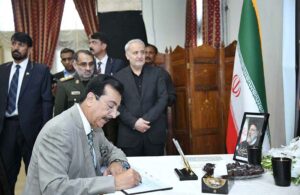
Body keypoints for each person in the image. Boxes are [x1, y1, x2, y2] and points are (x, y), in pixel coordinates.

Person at [23, 75, 142, 195]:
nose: (114, 114)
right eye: (111, 106)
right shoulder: (58, 131)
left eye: (117, 108)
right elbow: (54, 189)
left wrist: (116, 163)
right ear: (90, 99)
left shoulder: (95, 126)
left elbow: (113, 151)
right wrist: (113, 182)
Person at [0, 32, 53, 194]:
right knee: (5, 174)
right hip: (6, 129)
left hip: (32, 130)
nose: (16, 48)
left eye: (21, 45)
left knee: (35, 173)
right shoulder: (2, 70)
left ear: (29, 49)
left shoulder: (40, 70)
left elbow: (46, 102)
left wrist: (44, 131)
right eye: (14, 44)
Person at [115, 39, 168, 156]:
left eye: (142, 52)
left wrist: (145, 120)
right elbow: (117, 104)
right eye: (135, 53)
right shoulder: (118, 77)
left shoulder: (157, 73)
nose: (140, 56)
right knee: (131, 172)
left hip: (154, 134)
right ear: (127, 56)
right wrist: (134, 123)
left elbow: (163, 99)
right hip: (129, 135)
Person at [89, 32, 127, 144]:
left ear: (104, 46)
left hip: (111, 112)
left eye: (94, 42)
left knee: (111, 142)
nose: (90, 45)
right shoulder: (89, 64)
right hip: (94, 111)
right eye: (90, 42)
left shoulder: (117, 63)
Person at [54, 50, 95, 116]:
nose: (88, 68)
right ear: (75, 65)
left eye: (91, 64)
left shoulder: (100, 82)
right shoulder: (65, 84)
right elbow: (59, 114)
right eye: (83, 64)